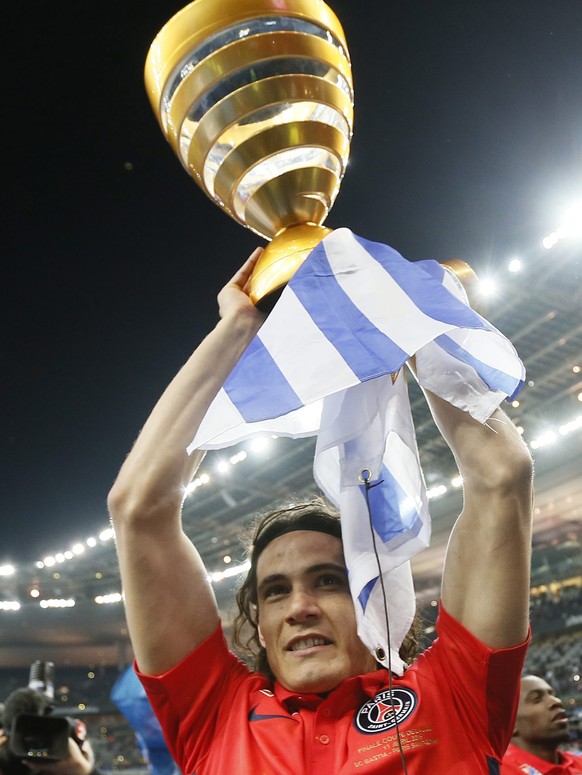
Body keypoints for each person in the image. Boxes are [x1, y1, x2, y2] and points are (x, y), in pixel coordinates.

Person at [108, 247, 535, 773]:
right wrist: (237, 328)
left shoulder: (453, 691)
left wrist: (410, 317)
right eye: (275, 591)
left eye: (330, 580)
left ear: (373, 600)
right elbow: (138, 509)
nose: (300, 607)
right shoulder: (215, 715)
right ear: (260, 627)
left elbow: (501, 478)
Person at [501, 674, 582, 774]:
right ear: (511, 724)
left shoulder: (579, 763)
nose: (556, 701)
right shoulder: (496, 771)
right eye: (537, 699)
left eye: (553, 694)